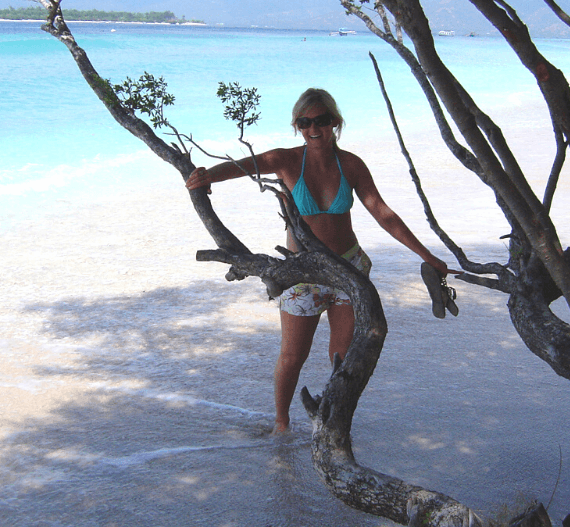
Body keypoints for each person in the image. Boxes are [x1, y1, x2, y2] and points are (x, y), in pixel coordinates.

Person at [185, 88, 456, 433]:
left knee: (342, 357)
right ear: (297, 125)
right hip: (302, 275)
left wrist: (427, 255)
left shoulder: (351, 165)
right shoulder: (285, 160)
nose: (314, 129)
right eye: (305, 122)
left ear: (335, 122)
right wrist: (207, 176)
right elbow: (242, 166)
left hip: (349, 270)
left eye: (322, 120)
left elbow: (383, 213)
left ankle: (332, 420)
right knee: (292, 356)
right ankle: (281, 424)